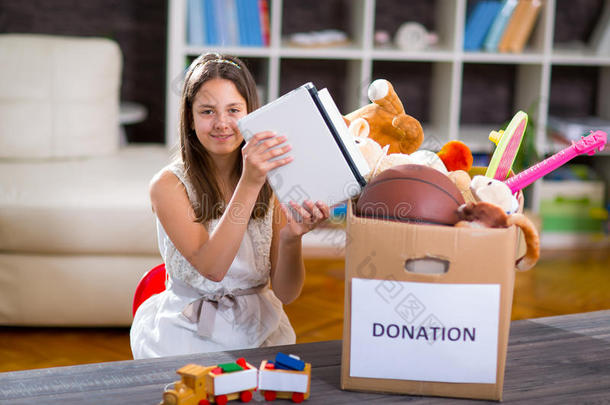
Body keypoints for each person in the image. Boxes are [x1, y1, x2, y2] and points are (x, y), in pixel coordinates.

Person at [130, 53, 330, 358]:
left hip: (260, 329)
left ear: (252, 114)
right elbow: (213, 268)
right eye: (207, 111)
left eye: (234, 110)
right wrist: (249, 182)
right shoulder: (168, 186)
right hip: (187, 330)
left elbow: (287, 293)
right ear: (190, 118)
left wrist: (292, 238)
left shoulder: (272, 183)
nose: (222, 123)